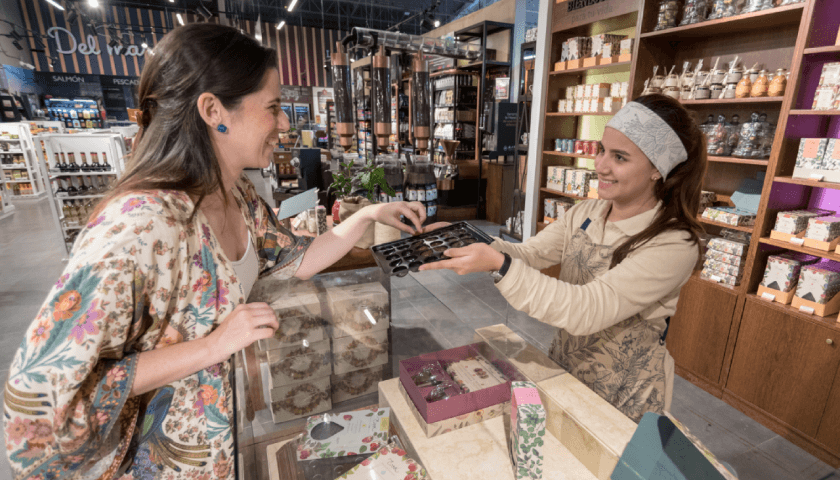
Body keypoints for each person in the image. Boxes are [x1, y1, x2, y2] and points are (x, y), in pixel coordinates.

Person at [3, 24, 426, 480]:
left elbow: (293, 258)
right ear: (213, 110)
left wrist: (367, 215)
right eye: (273, 107)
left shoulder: (235, 193)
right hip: (166, 465)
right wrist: (212, 346)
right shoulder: (141, 226)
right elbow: (37, 411)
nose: (285, 123)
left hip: (222, 447)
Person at [421, 94, 706, 422]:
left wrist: (499, 264)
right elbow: (532, 254)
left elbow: (589, 308)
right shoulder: (586, 212)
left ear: (658, 169)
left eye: (620, 157)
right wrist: (473, 238)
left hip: (625, 390)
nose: (600, 165)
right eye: (601, 150)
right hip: (567, 365)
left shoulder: (673, 243)